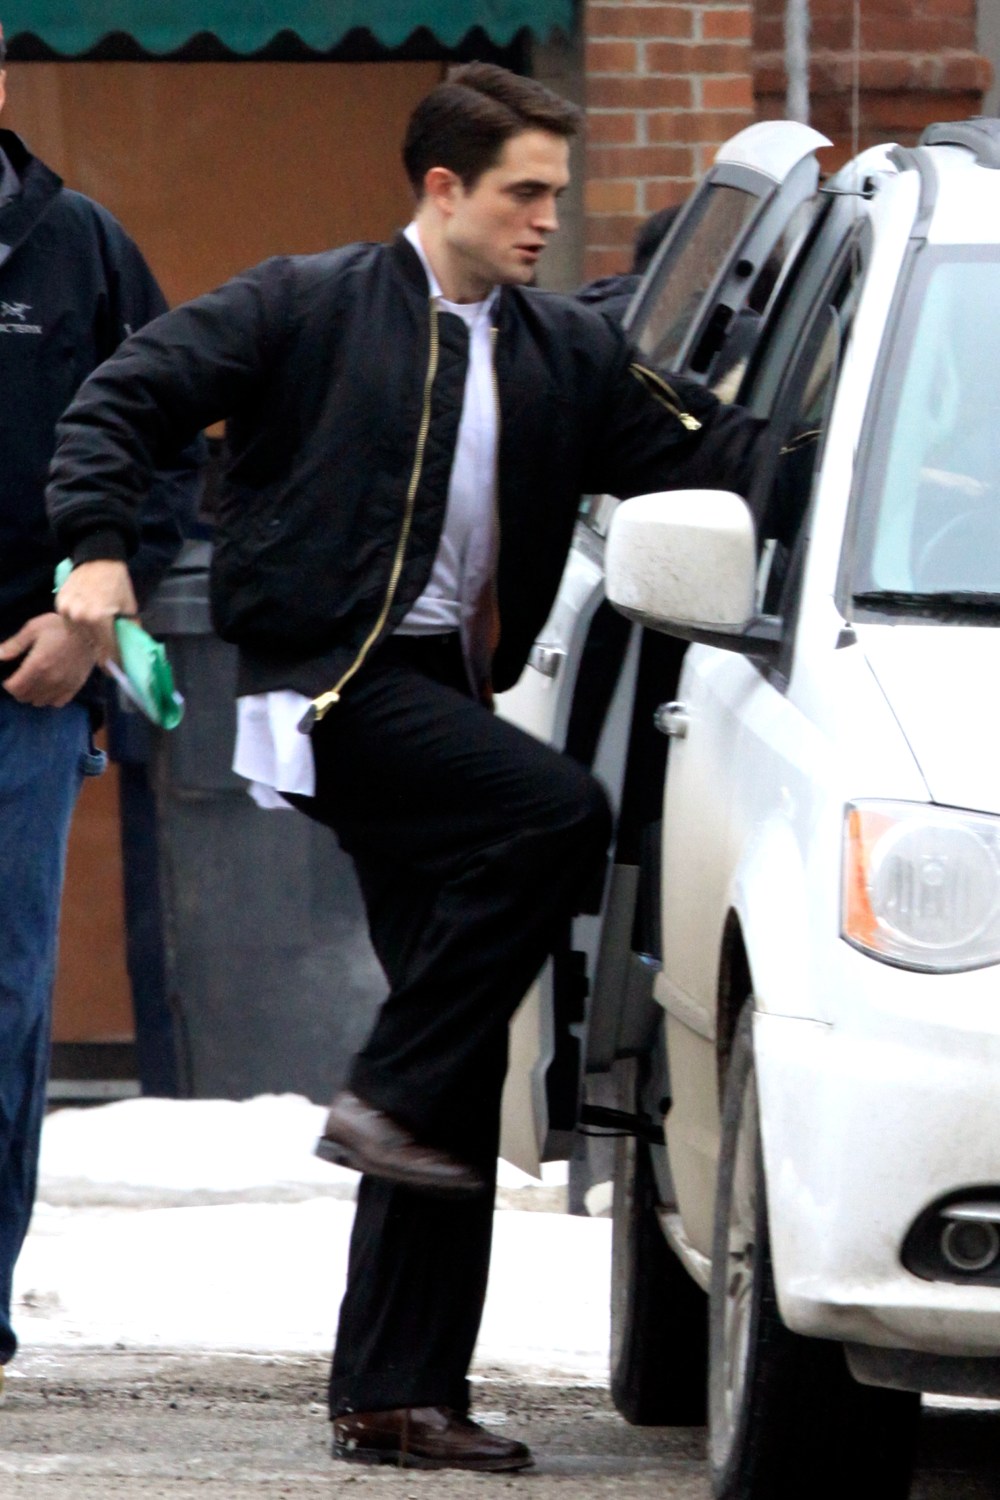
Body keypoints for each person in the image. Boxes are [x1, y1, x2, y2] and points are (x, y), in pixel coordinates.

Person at [45, 63, 762, 1470]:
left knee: (451, 1065)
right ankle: (388, 1095)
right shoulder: (306, 303)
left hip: (442, 689)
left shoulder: (561, 350)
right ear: (444, 187)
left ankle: (396, 1393)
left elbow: (719, 451)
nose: (547, 217)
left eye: (555, 192)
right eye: (524, 193)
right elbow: (120, 400)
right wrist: (101, 549)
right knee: (556, 812)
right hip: (329, 682)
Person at [0, 22, 199, 1399]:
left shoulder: (79, 251)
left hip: (21, 687)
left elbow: (165, 452)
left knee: (4, 1005)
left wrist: (90, 615)